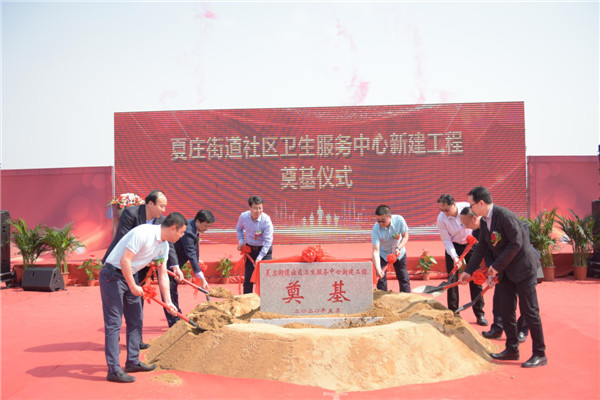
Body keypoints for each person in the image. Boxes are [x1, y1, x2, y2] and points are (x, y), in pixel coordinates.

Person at [459, 186, 547, 368]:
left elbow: (516, 244)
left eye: (471, 205)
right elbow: (482, 247)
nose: (471, 208)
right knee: (507, 311)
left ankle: (540, 353)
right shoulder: (485, 221)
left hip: (523, 269)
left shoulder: (505, 216)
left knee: (530, 311)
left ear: (481, 203)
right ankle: (512, 349)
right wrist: (468, 270)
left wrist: (495, 267)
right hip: (506, 271)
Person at [99, 212, 187, 383]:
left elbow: (162, 275)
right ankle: (114, 370)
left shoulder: (164, 246)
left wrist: (168, 303)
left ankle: (133, 361)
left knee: (136, 319)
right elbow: (125, 260)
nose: (182, 236)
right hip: (113, 275)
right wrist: (133, 286)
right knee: (114, 323)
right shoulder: (144, 233)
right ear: (173, 228)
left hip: (130, 276)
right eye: (181, 232)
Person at [102, 190, 182, 349]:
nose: (163, 210)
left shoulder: (162, 221)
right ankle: (114, 342)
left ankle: (135, 342)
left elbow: (167, 245)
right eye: (161, 206)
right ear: (150, 203)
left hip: (139, 268)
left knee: (136, 307)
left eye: (165, 206)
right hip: (119, 265)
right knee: (116, 311)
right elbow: (124, 240)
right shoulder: (131, 214)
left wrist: (175, 266)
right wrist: (147, 257)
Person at [460, 206, 529, 341]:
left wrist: (498, 266)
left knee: (525, 300)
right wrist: (491, 272)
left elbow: (518, 245)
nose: (466, 227)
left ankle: (522, 330)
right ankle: (497, 328)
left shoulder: (505, 221)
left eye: (466, 224)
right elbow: (485, 252)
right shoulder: (477, 231)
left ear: (474, 218)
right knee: (500, 298)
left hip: (521, 264)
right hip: (500, 267)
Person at [436, 194, 487, 326]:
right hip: (453, 247)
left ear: (453, 204)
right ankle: (454, 313)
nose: (444, 212)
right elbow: (446, 240)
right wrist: (454, 257)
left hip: (471, 244)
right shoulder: (441, 219)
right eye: (441, 210)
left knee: (475, 278)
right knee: (452, 280)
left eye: (446, 209)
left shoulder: (466, 207)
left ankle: (479, 313)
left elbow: (478, 221)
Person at [164, 209, 215, 327]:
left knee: (173, 291)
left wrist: (198, 260)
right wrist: (201, 278)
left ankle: (177, 316)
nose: (206, 229)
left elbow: (194, 247)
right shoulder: (188, 232)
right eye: (205, 226)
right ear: (198, 221)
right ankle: (174, 322)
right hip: (170, 263)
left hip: (177, 262)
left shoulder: (193, 226)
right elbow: (190, 253)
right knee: (170, 292)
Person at [236, 196, 274, 294]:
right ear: (250, 208)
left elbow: (268, 241)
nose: (258, 211)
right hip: (250, 250)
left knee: (265, 278)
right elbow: (239, 228)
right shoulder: (243, 217)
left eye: (260, 208)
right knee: (248, 279)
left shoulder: (266, 220)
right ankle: (246, 301)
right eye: (255, 208)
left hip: (264, 250)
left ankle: (266, 300)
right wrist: (241, 241)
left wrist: (260, 257)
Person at [371, 205, 410, 292]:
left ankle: (406, 297)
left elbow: (405, 236)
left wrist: (398, 248)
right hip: (383, 253)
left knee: (403, 276)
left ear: (390, 217)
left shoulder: (399, 220)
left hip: (399, 252)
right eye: (378, 221)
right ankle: (382, 298)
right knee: (381, 279)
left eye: (383, 221)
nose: (380, 223)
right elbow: (375, 251)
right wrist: (378, 269)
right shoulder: (376, 229)